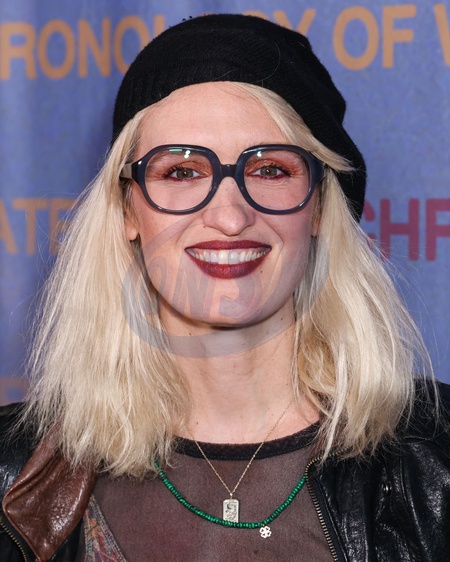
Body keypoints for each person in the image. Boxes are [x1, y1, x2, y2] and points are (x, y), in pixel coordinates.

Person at [0, 13, 449, 561]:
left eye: (270, 170)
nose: (231, 218)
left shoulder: (437, 459)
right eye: (183, 172)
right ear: (128, 210)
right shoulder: (12, 470)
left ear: (319, 207)